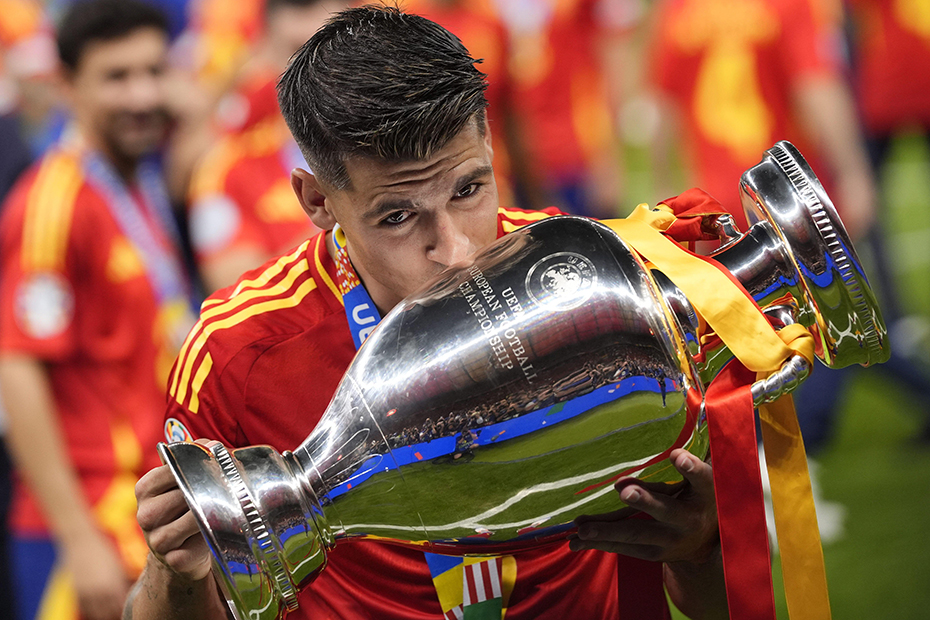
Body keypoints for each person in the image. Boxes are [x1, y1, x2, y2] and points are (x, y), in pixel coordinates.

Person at [128, 6, 726, 620]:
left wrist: (701, 547)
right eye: (398, 216)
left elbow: (717, 599)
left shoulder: (590, 280)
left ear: (490, 146)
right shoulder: (239, 353)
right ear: (317, 200)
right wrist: (175, 573)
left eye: (469, 189)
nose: (457, 250)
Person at [0, 2, 195, 619]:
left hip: (148, 514)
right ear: (68, 85)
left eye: (153, 71)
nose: (142, 95)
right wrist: (79, 540)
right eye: (117, 77)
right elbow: (15, 369)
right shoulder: (53, 203)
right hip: (87, 528)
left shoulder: (138, 181)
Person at [187, 0, 344, 294]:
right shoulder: (228, 167)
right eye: (298, 54)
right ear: (267, 50)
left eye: (332, 51)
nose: (318, 74)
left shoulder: (401, 144)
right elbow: (235, 295)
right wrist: (352, 223)